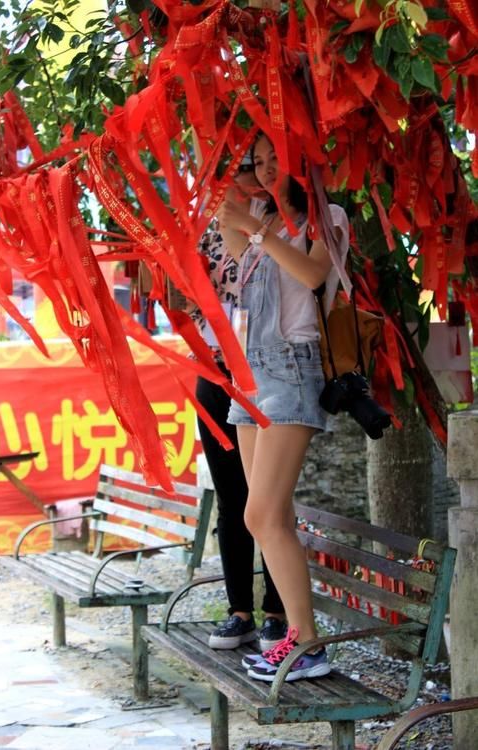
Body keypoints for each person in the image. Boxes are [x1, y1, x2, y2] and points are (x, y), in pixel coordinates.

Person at [217, 132, 349, 682]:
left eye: (277, 159)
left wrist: (259, 231)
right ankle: (296, 638)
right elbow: (231, 241)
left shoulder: (327, 217)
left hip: (293, 367)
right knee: (270, 514)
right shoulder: (260, 215)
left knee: (261, 515)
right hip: (251, 371)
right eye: (260, 161)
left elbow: (314, 274)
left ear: (301, 161)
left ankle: (307, 644)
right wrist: (227, 190)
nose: (267, 169)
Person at [193, 158, 288, 651]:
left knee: (268, 497)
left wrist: (250, 225)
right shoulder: (206, 231)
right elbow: (194, 300)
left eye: (249, 167)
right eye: (231, 170)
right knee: (231, 496)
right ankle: (239, 612)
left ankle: (278, 612)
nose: (241, 178)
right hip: (214, 368)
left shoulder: (278, 223)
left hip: (262, 372)